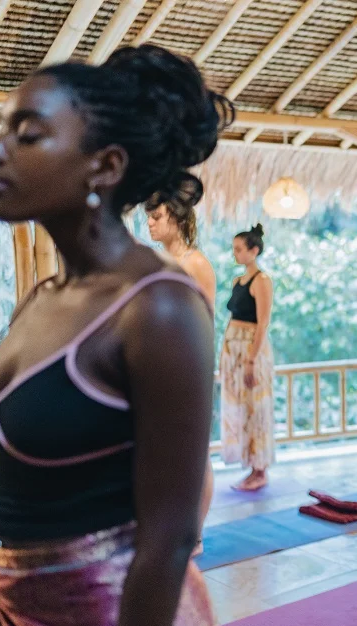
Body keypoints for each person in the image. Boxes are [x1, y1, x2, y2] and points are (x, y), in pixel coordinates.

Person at [0, 44, 233, 626]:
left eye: (27, 134)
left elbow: (170, 537)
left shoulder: (159, 307)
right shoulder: (43, 298)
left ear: (105, 165)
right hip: (14, 610)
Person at [145, 182, 216, 557]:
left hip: (187, 367)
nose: (150, 225)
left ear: (176, 217)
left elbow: (204, 323)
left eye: (156, 217)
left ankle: (195, 534)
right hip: (157, 366)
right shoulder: (159, 260)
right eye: (148, 218)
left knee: (195, 455)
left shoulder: (195, 263)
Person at [220, 223, 275, 491]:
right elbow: (232, 318)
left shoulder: (262, 281)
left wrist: (252, 359)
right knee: (239, 407)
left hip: (251, 349)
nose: (236, 254)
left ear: (254, 251)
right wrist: (224, 354)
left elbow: (263, 322)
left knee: (256, 406)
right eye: (234, 249)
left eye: (240, 249)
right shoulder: (237, 281)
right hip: (234, 348)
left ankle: (260, 468)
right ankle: (249, 464)